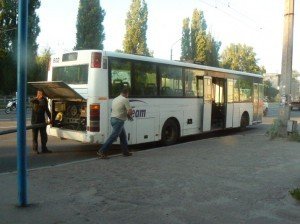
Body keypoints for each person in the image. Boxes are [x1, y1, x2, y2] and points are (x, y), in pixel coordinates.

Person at [97, 87, 133, 159]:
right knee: (113, 137)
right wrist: (130, 114)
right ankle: (101, 151)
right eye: (127, 94)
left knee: (123, 137)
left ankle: (125, 152)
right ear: (126, 93)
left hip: (113, 119)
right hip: (119, 121)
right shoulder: (125, 100)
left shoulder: (115, 99)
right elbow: (130, 111)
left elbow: (118, 109)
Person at [31, 89, 52, 154]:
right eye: (38, 93)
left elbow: (47, 110)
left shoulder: (45, 100)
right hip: (34, 121)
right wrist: (37, 99)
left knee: (44, 136)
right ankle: (35, 149)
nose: (40, 95)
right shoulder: (34, 100)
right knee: (35, 136)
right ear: (37, 94)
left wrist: (51, 118)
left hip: (42, 121)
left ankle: (44, 148)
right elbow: (32, 102)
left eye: (41, 93)